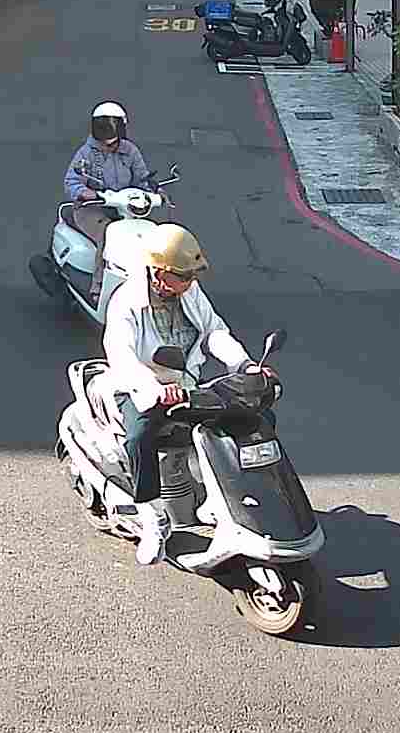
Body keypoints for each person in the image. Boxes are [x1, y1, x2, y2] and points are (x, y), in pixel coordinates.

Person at [101, 224, 273, 565]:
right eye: (183, 276)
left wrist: (244, 365)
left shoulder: (189, 291)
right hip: (142, 388)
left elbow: (214, 331)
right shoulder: (126, 301)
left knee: (254, 417)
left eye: (192, 275)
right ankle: (153, 518)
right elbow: (121, 355)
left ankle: (222, 498)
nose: (191, 282)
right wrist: (153, 388)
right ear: (160, 274)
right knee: (139, 437)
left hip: (187, 384)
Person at [62, 102, 153, 301]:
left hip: (124, 208)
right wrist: (85, 193)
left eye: (111, 126)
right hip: (92, 209)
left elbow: (142, 178)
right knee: (109, 235)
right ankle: (99, 288)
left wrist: (155, 192)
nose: (106, 141)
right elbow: (71, 181)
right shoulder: (86, 153)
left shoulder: (130, 151)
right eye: (101, 126)